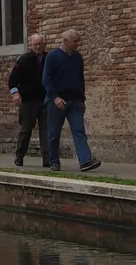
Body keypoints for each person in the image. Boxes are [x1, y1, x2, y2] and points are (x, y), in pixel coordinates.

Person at [43, 29, 101, 172]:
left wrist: (82, 99)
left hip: (75, 101)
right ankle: (54, 161)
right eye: (75, 41)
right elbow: (46, 80)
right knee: (54, 133)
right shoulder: (52, 56)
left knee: (79, 131)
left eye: (78, 41)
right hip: (57, 101)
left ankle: (85, 161)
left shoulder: (78, 58)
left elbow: (80, 79)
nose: (77, 44)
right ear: (65, 41)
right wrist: (55, 97)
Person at [9, 33, 50, 168]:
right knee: (26, 129)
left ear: (45, 44)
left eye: (40, 44)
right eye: (35, 44)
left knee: (46, 130)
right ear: (31, 45)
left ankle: (47, 159)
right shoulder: (25, 59)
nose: (38, 46)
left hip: (45, 99)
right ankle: (19, 156)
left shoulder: (49, 58)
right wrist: (15, 93)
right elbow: (13, 79)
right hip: (28, 100)